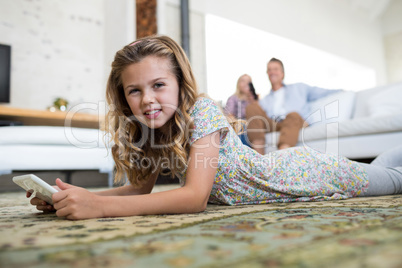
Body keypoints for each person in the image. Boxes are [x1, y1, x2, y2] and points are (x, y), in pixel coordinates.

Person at [28, 35, 402, 220]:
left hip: (305, 174)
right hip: (289, 177)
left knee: (393, 180)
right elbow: (138, 191)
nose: (147, 99)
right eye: (134, 91)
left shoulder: (202, 111)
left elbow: (194, 198)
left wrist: (97, 207)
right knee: (388, 169)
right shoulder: (154, 130)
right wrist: (72, 195)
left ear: (178, 84)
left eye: (158, 85)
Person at [246, 58, 342, 154]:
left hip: (295, 121)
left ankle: (280, 162)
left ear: (282, 73)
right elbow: (257, 119)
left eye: (275, 69)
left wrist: (343, 91)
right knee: (251, 107)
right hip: (275, 123)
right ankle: (258, 160)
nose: (272, 72)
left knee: (293, 115)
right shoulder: (265, 99)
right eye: (269, 70)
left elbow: (322, 92)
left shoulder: (300, 88)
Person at [225, 74, 256, 145]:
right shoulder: (233, 99)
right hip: (240, 123)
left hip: (253, 123)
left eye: (248, 81)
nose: (246, 83)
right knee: (242, 127)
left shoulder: (254, 100)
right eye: (243, 81)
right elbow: (229, 116)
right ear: (238, 84)